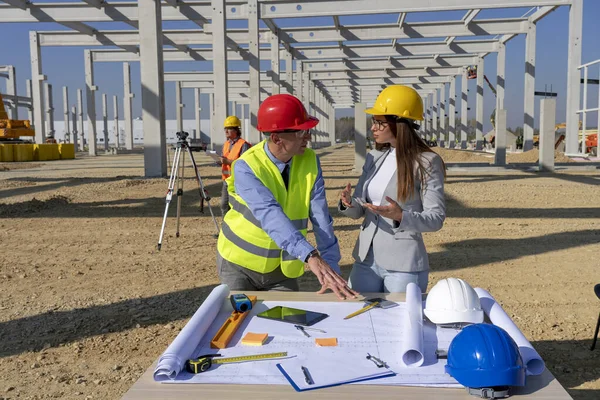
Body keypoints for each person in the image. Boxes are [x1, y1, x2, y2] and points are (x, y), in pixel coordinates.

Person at [216, 94, 357, 300]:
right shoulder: (247, 166)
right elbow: (269, 213)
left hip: (282, 271)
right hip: (239, 264)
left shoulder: (309, 160)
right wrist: (310, 256)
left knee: (289, 325)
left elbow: (320, 218)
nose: (308, 136)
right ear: (276, 138)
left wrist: (331, 266)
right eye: (301, 131)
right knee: (239, 325)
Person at [338, 85, 446, 293]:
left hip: (403, 266)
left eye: (379, 123)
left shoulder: (427, 162)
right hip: (365, 260)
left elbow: (436, 218)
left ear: (399, 124)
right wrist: (349, 203)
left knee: (399, 325)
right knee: (358, 319)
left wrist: (401, 216)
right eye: (373, 122)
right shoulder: (374, 157)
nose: (373, 128)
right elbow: (361, 208)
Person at [219, 116, 251, 216]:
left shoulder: (243, 144)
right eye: (225, 128)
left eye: (229, 128)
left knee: (237, 206)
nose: (226, 131)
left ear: (236, 130)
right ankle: (225, 228)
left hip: (238, 181)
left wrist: (227, 161)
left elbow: (244, 165)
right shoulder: (226, 144)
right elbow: (226, 158)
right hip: (226, 180)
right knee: (224, 205)